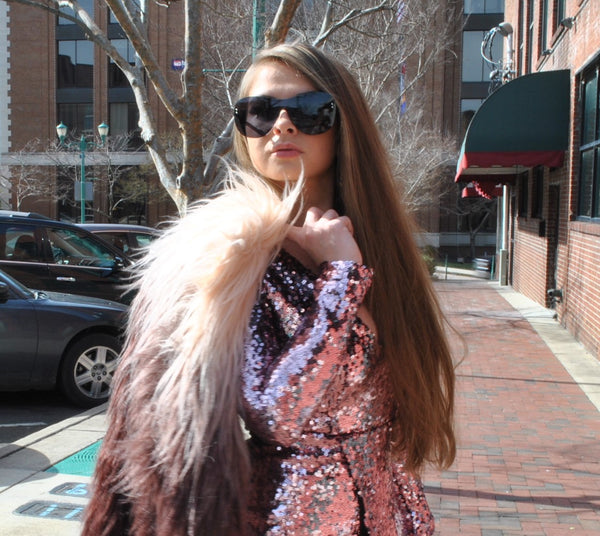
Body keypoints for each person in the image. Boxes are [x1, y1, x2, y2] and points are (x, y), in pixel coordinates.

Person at [83, 42, 455, 536]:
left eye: (310, 110)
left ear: (344, 124)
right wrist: (340, 279)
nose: (281, 125)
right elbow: (276, 412)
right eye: (259, 112)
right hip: (289, 520)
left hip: (393, 513)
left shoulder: (378, 245)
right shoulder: (237, 260)